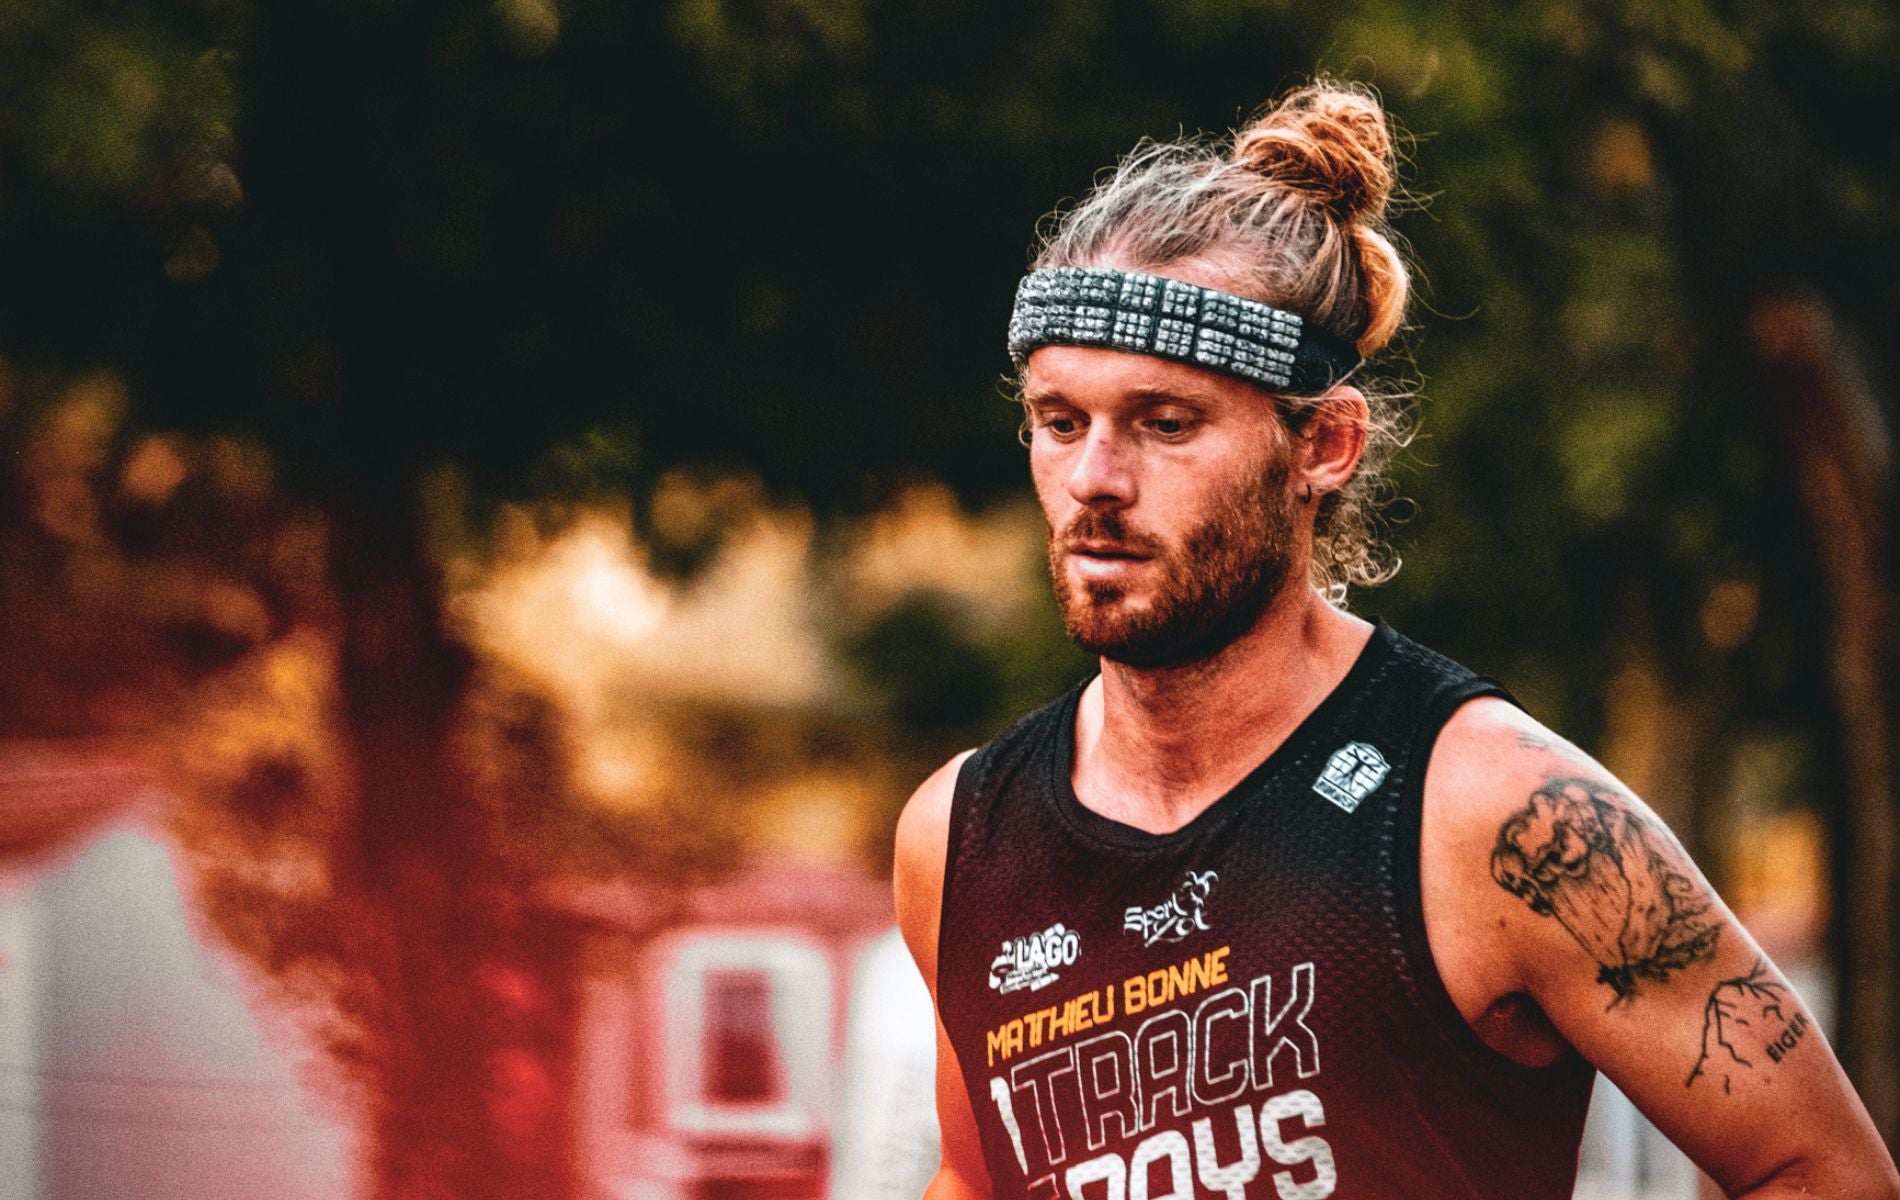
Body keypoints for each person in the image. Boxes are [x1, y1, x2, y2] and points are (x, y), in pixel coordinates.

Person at [891, 80, 1900, 1200]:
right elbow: (974, 1181)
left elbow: (1825, 1175)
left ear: (1321, 444)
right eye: (1059, 421)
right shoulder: (957, 837)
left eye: (1165, 423)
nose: (1093, 481)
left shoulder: (1501, 815)